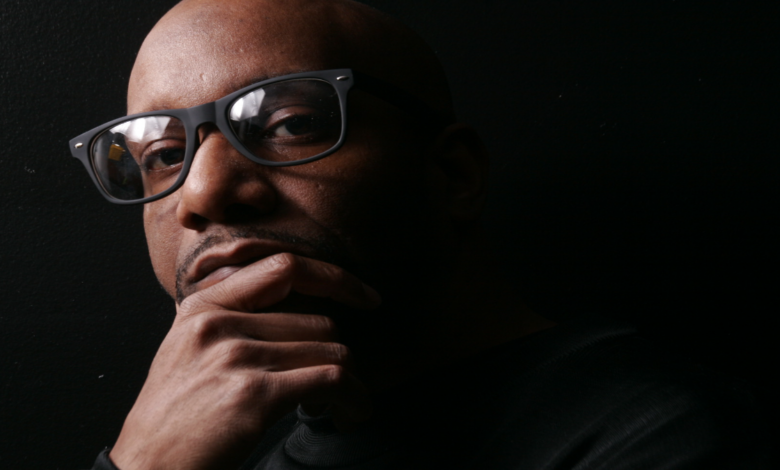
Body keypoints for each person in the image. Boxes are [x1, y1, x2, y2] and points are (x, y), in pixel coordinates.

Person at [70, 0, 770, 468]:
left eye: (288, 124)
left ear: (454, 174)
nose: (204, 189)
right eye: (162, 154)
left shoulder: (660, 437)